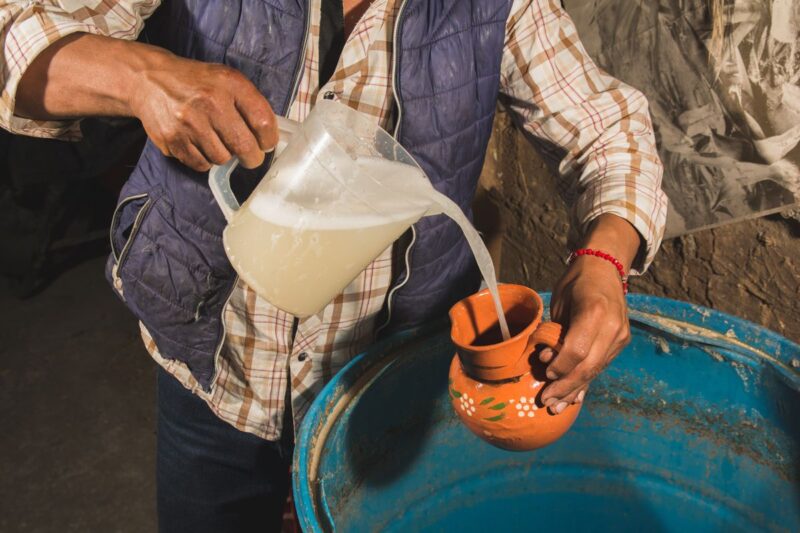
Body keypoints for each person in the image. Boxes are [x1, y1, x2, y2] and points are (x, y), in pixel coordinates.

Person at [1, 0, 667, 530]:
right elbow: (12, 30)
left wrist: (604, 258)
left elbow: (609, 131)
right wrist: (141, 79)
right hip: (217, 370)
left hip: (382, 393)